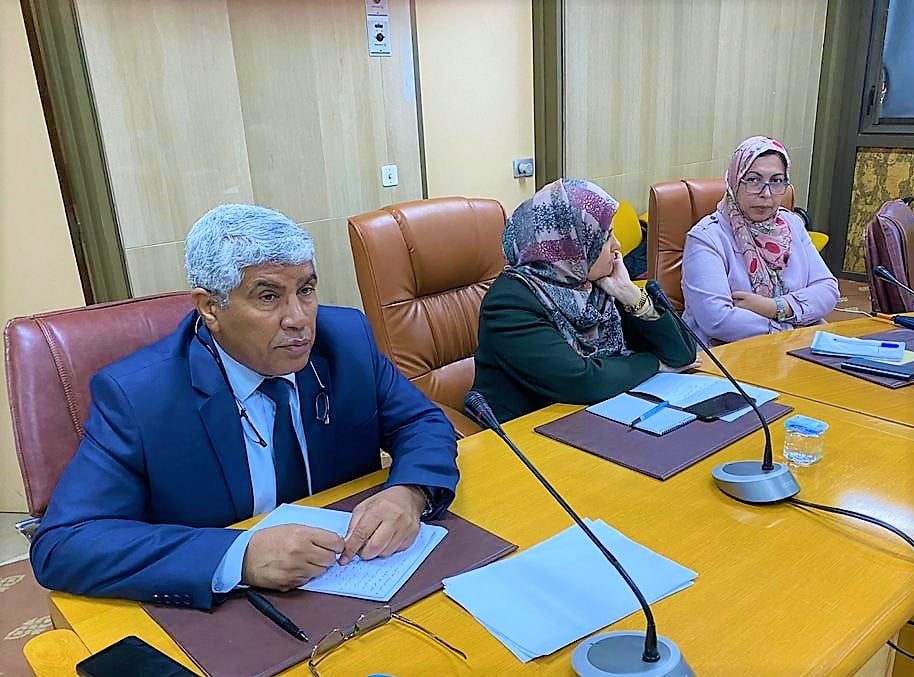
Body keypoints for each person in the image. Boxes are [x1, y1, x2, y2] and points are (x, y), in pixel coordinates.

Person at [30, 205, 459, 609]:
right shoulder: (139, 397)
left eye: (306, 290)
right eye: (268, 296)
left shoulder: (345, 339)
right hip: (231, 612)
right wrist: (240, 556)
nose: (298, 318)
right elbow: (64, 543)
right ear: (210, 308)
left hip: (358, 582)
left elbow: (421, 421)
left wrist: (410, 492)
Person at [472, 178, 697, 423]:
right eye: (606, 237)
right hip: (532, 427)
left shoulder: (594, 283)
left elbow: (682, 354)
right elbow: (582, 381)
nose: (617, 245)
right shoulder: (509, 303)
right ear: (571, 246)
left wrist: (630, 294)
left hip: (603, 413)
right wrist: (653, 364)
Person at [681, 136, 839, 346]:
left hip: (795, 346)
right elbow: (718, 320)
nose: (766, 194)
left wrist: (774, 307)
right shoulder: (706, 237)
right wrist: (789, 330)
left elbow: (828, 289)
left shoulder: (792, 224)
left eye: (776, 181)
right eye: (753, 180)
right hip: (727, 351)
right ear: (735, 181)